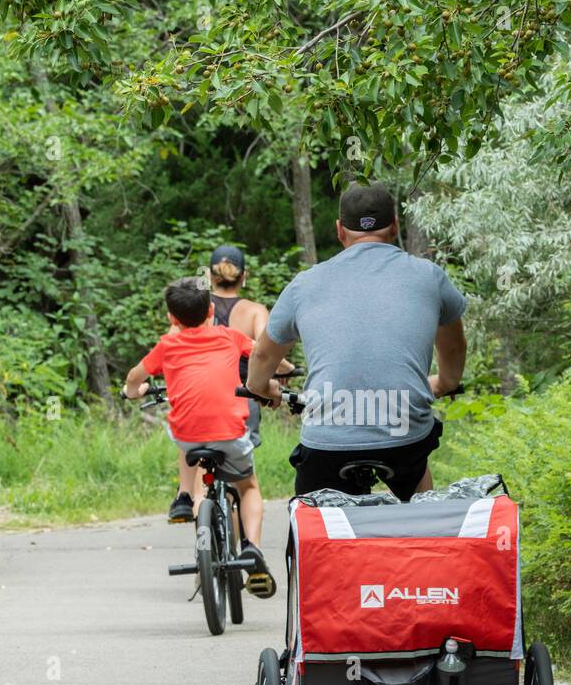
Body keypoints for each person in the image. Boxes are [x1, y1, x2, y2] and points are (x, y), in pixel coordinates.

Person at [245, 182, 467, 501]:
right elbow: (454, 347)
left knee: (313, 524)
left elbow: (263, 355)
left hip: (329, 439)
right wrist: (445, 383)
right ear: (394, 225)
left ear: (339, 230)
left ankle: (316, 545)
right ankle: (421, 528)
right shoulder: (429, 276)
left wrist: (259, 388)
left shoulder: (305, 284)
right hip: (404, 432)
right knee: (416, 483)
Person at [124, 277, 279, 597]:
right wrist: (282, 375)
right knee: (248, 486)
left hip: (190, 439)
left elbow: (134, 378)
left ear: (171, 319)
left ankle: (184, 497)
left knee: (181, 430)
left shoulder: (166, 345)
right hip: (231, 433)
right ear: (211, 310)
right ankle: (252, 548)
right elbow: (263, 354)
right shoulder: (230, 337)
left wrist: (132, 392)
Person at [166, 245, 295, 523]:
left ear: (210, 278)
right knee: (241, 482)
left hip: (198, 398)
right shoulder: (253, 311)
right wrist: (284, 374)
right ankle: (235, 550)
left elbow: (171, 343)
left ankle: (197, 521)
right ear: (243, 276)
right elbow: (265, 348)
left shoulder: (196, 309)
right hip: (243, 398)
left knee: (203, 478)